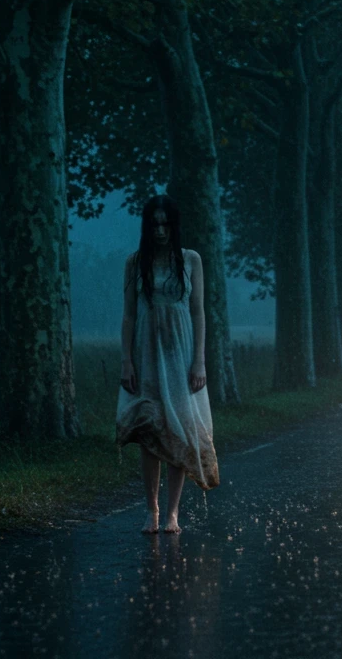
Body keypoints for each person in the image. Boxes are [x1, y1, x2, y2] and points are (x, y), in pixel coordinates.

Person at [116, 195, 220, 534]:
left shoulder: (190, 260)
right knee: (150, 429)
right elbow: (129, 314)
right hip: (147, 351)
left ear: (173, 227)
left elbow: (198, 311)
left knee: (179, 429)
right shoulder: (135, 262)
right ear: (147, 228)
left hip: (181, 352)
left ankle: (173, 513)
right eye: (154, 225)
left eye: (166, 224)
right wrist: (126, 361)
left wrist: (199, 361)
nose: (160, 231)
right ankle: (152, 509)